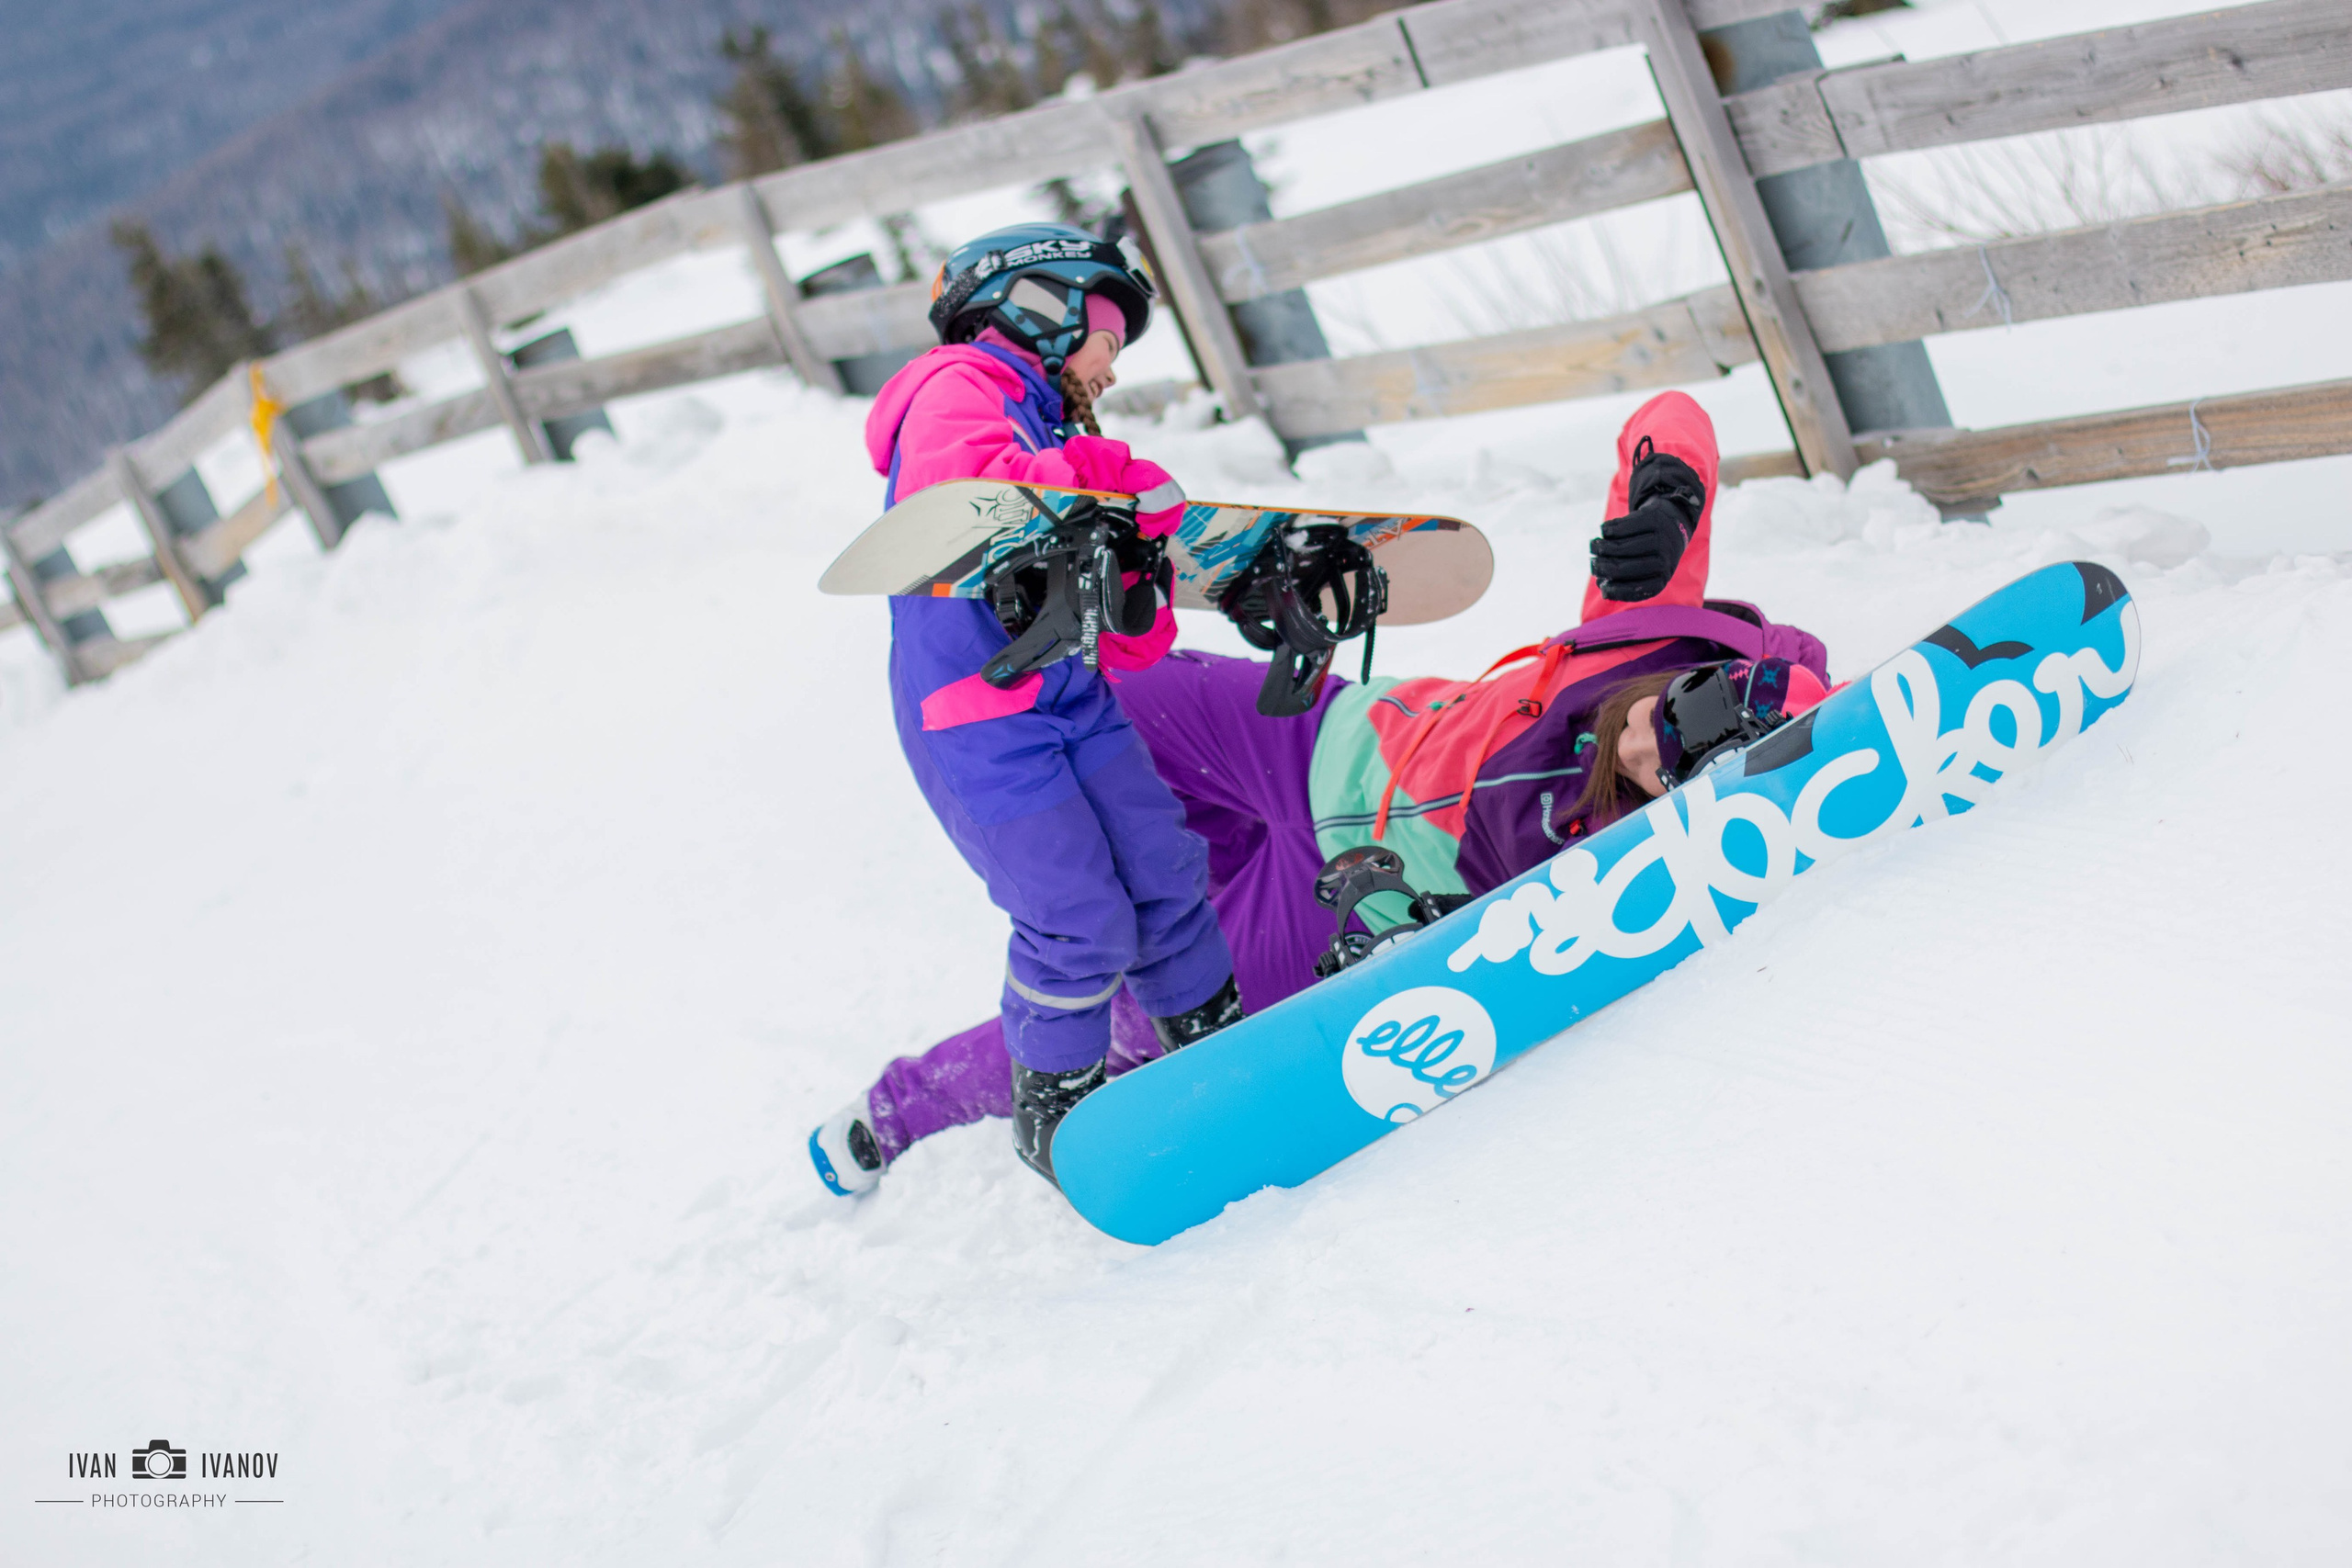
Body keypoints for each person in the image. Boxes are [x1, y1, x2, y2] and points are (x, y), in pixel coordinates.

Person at [811, 390, 1832, 1195]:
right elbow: (1672, 424)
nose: (1665, 740)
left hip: (1340, 902)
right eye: (1695, 704)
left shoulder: (1627, 879)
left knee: (1131, 1020)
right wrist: (1666, 499)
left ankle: (896, 1111)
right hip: (1299, 738)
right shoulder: (1648, 629)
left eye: (1693, 763)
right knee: (1079, 690)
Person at [809, 223, 1248, 1197]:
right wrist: (1122, 486)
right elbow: (963, 495)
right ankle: (1058, 1116)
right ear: (1042, 308)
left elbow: (1132, 642)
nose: (1112, 366)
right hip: (979, 724)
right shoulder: (954, 387)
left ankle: (1222, 1058)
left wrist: (1140, 568)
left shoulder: (1056, 434)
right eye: (1107, 337)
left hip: (1074, 703)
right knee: (1077, 921)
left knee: (1169, 879)